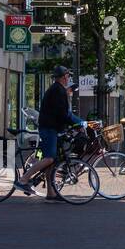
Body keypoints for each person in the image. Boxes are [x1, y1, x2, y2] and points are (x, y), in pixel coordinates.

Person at [18, 66, 84, 201]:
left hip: (51, 127)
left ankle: (51, 192)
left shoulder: (57, 89)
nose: (68, 79)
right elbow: (63, 114)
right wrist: (78, 124)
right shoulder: (58, 91)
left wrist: (77, 122)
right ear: (64, 77)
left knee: (52, 162)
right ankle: (23, 180)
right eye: (68, 76)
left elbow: (63, 113)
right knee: (49, 158)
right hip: (49, 128)